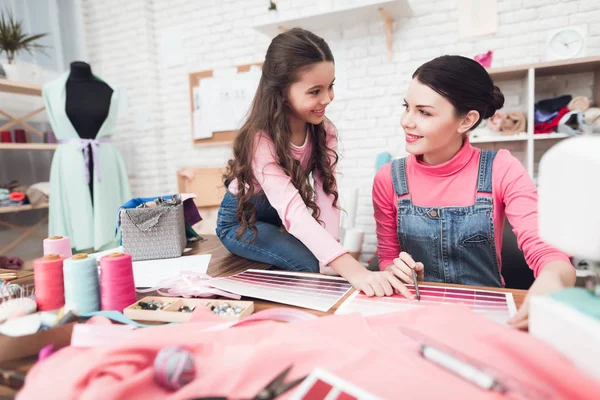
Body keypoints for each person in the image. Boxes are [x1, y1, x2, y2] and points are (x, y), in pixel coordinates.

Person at [372, 55, 575, 329]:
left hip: (485, 320)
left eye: (424, 112)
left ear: (466, 121)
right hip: (416, 317)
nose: (406, 122)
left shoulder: (502, 169)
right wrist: (395, 270)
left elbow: (548, 254)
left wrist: (552, 278)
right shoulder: (388, 179)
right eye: (407, 107)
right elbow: (386, 257)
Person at [216, 28, 411, 298]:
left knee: (321, 262)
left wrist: (335, 253)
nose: (327, 98)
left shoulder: (323, 130)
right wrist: (353, 270)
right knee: (307, 264)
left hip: (277, 219)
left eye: (331, 86)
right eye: (315, 91)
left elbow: (326, 195)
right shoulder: (261, 140)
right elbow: (293, 210)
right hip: (241, 221)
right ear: (282, 92)